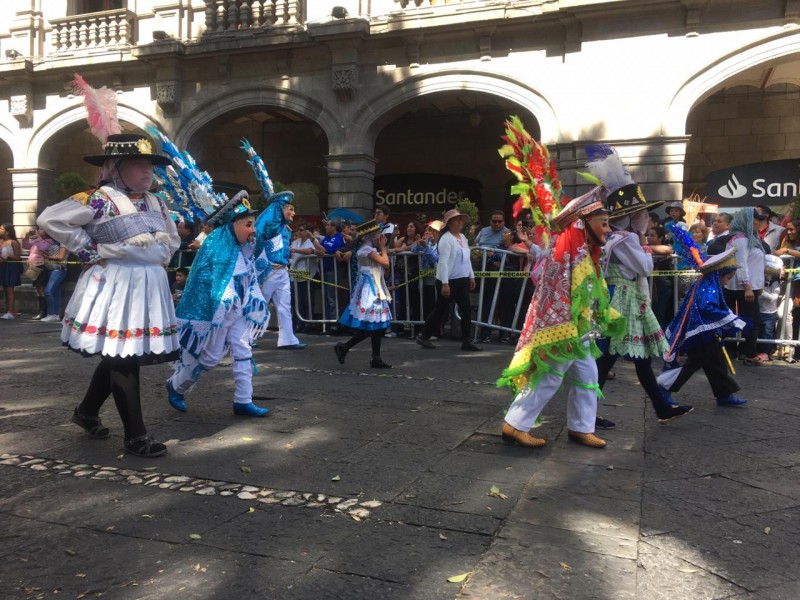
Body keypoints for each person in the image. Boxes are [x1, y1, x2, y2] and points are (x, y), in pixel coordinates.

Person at [38, 127, 179, 458]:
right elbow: (51, 219)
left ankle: (86, 412)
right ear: (116, 166)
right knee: (123, 355)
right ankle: (135, 436)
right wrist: (90, 250)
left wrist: (160, 256)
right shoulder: (97, 199)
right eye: (139, 163)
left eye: (150, 165)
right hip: (116, 284)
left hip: (148, 283)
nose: (148, 170)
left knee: (121, 352)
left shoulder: (156, 202)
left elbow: (172, 238)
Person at [498, 189, 623, 449]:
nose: (609, 229)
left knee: (588, 375)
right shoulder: (565, 251)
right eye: (604, 223)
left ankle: (581, 427)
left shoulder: (584, 250)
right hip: (564, 328)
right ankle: (515, 424)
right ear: (586, 223)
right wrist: (566, 327)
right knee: (551, 374)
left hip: (581, 328)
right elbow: (556, 296)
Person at [166, 191, 271, 417]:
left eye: (252, 224)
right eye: (248, 225)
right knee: (211, 358)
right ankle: (175, 386)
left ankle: (243, 400)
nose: (253, 230)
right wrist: (222, 300)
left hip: (239, 310)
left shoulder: (243, 244)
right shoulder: (216, 243)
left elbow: (257, 261)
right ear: (233, 224)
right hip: (218, 312)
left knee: (244, 349)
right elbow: (207, 280)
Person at [658, 246, 748, 407]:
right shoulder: (709, 286)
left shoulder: (707, 283)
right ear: (720, 274)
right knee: (694, 364)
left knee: (716, 363)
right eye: (728, 277)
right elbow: (708, 307)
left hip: (705, 332)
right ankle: (665, 387)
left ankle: (724, 394)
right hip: (700, 333)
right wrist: (730, 318)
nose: (728, 281)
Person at [415, 209, 481, 352]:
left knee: (466, 309)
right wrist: (445, 283)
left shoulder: (463, 237)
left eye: (460, 220)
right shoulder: (446, 239)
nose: (459, 222)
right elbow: (443, 263)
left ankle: (467, 340)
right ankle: (424, 335)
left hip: (461, 279)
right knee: (440, 310)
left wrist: (471, 275)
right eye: (456, 220)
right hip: (448, 280)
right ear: (449, 223)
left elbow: (466, 258)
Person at [334, 219, 393, 369]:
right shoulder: (367, 250)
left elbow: (382, 268)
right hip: (371, 289)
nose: (380, 236)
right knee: (371, 325)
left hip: (373, 286)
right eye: (378, 234)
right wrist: (383, 248)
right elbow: (386, 263)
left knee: (378, 325)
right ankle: (345, 347)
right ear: (372, 236)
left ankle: (376, 357)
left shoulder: (366, 250)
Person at [255, 190, 307, 350]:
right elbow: (255, 242)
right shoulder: (266, 225)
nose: (293, 213)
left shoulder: (285, 228)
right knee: (258, 304)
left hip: (282, 270)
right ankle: (245, 337)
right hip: (268, 271)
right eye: (290, 209)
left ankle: (287, 339)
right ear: (279, 208)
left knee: (285, 305)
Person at [723, 208, 769, 365]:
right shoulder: (740, 239)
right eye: (755, 223)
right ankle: (748, 354)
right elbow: (741, 265)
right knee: (751, 321)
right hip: (742, 288)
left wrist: (757, 285)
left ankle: (741, 352)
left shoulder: (747, 238)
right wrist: (748, 288)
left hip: (747, 287)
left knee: (746, 321)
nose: (757, 227)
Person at [774, 219, 800, 362]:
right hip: (785, 283)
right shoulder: (785, 242)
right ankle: (783, 347)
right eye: (787, 229)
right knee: (782, 314)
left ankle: (788, 348)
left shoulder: (788, 248)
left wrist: (787, 251)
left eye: (792, 229)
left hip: (796, 284)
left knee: (786, 313)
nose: (788, 232)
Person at [411, 220, 443, 336]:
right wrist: (418, 244)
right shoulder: (427, 242)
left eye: (434, 231)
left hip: (435, 281)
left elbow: (435, 259)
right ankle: (423, 330)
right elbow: (414, 251)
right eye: (430, 230)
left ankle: (435, 331)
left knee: (433, 307)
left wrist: (426, 248)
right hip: (423, 280)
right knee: (423, 306)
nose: (431, 233)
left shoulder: (441, 245)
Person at [289, 223, 318, 332]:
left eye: (301, 230)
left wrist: (296, 250)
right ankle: (298, 324)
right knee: (296, 301)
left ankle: (307, 324)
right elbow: (290, 251)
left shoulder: (312, 241)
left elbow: (310, 251)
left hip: (307, 275)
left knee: (307, 300)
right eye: (298, 230)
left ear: (307, 231)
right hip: (295, 275)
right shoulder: (295, 242)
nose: (299, 232)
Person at [757, 255, 783, 363]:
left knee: (767, 334)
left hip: (769, 313)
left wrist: (762, 292)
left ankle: (766, 353)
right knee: (757, 333)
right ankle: (756, 351)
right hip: (758, 311)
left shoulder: (776, 284)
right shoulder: (759, 280)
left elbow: (773, 298)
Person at [22, 227, 52, 320]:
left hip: (41, 266)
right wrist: (26, 237)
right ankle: (40, 310)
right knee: (38, 288)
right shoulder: (37, 241)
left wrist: (38, 237)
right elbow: (26, 246)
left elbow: (42, 248)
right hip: (33, 267)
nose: (38, 231)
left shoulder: (48, 241)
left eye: (40, 230)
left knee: (41, 287)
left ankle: (43, 311)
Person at [40, 235, 68, 322]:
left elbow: (60, 257)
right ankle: (55, 314)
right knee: (56, 293)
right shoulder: (54, 242)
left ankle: (52, 313)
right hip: (51, 269)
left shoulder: (63, 243)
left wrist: (47, 257)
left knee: (48, 291)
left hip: (58, 269)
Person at [0, 223, 22, 319]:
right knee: (5, 289)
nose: (0, 230)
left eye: (1, 229)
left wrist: (8, 256)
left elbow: (18, 257)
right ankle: (9, 310)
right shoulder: (0, 242)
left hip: (11, 267)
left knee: (9, 289)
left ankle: (10, 312)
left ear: (7, 231)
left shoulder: (13, 242)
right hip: (2, 266)